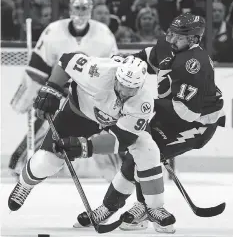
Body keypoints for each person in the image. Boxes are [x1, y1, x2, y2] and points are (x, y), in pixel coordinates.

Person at [74, 13, 225, 232]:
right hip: (171, 114)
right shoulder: (170, 44)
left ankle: (138, 208)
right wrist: (124, 65)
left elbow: (187, 112)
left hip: (197, 126)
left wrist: (142, 107)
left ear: (193, 40)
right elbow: (149, 56)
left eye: (178, 37)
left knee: (147, 155)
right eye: (170, 34)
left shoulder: (195, 64)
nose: (171, 40)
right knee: (138, 150)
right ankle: (115, 207)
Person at [8, 54, 176, 233]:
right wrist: (52, 89)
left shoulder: (143, 102)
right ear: (116, 76)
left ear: (141, 85)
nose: (126, 92)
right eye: (122, 85)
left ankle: (154, 206)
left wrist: (84, 147)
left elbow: (123, 139)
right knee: (46, 162)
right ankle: (25, 185)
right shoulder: (98, 71)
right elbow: (66, 60)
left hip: (113, 125)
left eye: (132, 88)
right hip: (76, 116)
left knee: (147, 147)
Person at [9, 0, 118, 178]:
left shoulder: (104, 34)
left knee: (104, 128)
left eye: (85, 8)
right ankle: (19, 163)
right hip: (57, 89)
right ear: (69, 9)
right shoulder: (54, 31)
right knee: (44, 123)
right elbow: (37, 66)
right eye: (77, 8)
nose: (81, 12)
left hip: (90, 95)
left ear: (91, 10)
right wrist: (30, 93)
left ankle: (117, 171)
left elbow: (113, 70)